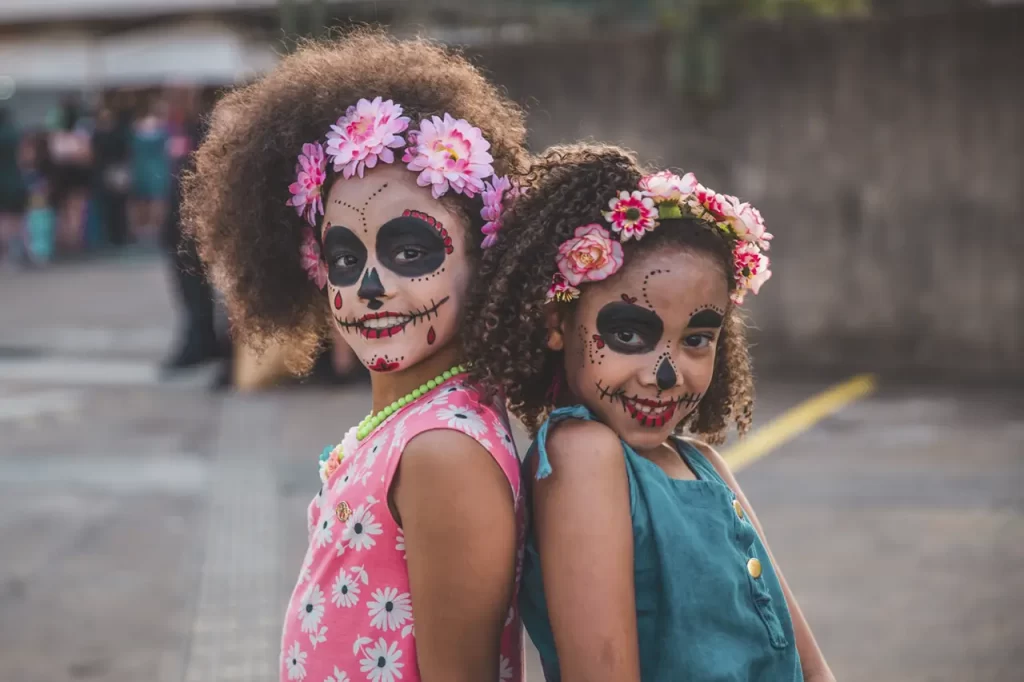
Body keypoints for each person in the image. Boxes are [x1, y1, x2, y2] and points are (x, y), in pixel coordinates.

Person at [182, 31, 529, 682]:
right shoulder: (411, 425)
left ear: (483, 254)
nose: (368, 285)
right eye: (346, 257)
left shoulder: (442, 454)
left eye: (409, 251)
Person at [464, 145, 835, 681]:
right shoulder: (581, 453)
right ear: (556, 322)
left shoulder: (705, 463)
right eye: (629, 333)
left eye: (697, 339)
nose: (666, 373)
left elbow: (810, 666)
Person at [91, 105, 133, 247]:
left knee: (118, 205)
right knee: (110, 205)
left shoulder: (114, 133)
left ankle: (119, 234)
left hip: (115, 171)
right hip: (107, 172)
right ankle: (112, 234)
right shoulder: (99, 134)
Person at [0, 108, 26, 264]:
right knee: (16, 218)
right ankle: (15, 253)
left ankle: (6, 253)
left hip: (3, 181)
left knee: (4, 218)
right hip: (15, 180)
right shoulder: (14, 134)